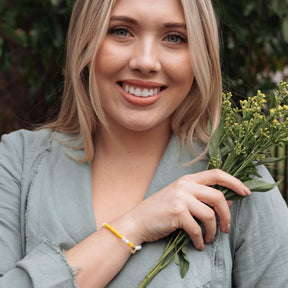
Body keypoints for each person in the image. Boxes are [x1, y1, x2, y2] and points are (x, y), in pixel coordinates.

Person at [1, 0, 288, 287]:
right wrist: (134, 225)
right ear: (86, 40)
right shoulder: (17, 163)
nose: (146, 62)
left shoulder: (233, 177)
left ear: (199, 55)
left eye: (174, 37)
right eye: (121, 31)